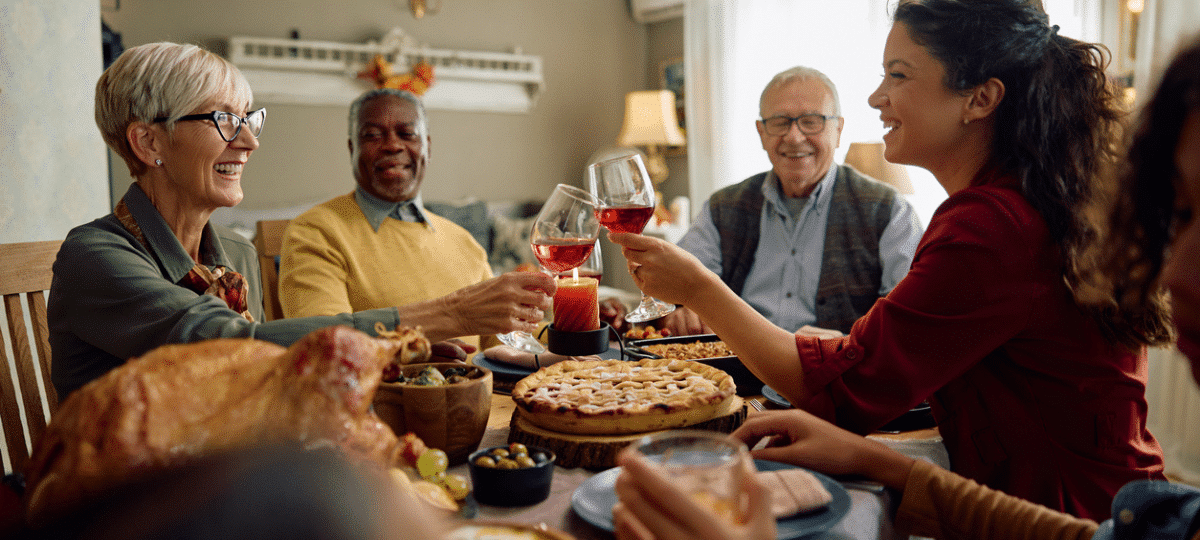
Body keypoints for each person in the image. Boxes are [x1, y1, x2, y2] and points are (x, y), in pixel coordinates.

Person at [612, 32, 1200, 540]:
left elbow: (845, 386)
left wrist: (701, 288)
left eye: (899, 74)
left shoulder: (984, 222)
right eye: (1178, 216)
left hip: (1078, 498)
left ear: (980, 99)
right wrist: (880, 463)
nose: (878, 96)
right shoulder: (1012, 201)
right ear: (761, 133)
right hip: (1092, 507)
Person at [47, 43, 475, 400]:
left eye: (248, 119)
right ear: (149, 141)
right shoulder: (93, 257)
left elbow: (271, 370)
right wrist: (447, 313)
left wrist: (397, 353)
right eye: (225, 120)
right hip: (132, 492)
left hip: (227, 471)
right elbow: (230, 346)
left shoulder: (234, 253)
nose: (250, 142)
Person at [277, 88, 556, 350]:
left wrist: (571, 330)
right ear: (353, 149)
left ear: (428, 148)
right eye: (373, 135)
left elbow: (507, 345)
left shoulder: (464, 242)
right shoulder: (315, 231)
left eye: (407, 133)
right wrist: (427, 338)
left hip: (479, 398)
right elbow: (323, 346)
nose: (392, 145)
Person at [663, 66, 924, 337]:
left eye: (811, 121)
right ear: (761, 133)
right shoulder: (723, 207)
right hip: (735, 373)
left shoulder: (889, 210)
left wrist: (846, 345)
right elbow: (672, 284)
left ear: (838, 130)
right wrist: (680, 308)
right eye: (779, 122)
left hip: (835, 374)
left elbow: (910, 321)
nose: (795, 137)